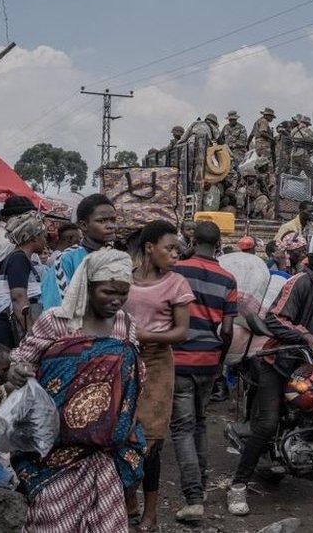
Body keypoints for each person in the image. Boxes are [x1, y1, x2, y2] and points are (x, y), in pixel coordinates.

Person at [8, 248, 144, 532]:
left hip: (104, 450)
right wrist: (18, 371)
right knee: (52, 519)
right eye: (108, 292)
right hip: (54, 448)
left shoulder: (125, 324)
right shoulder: (56, 321)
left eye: (123, 293)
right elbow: (21, 363)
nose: (117, 300)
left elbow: (133, 377)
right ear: (88, 285)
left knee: (104, 521)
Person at [228, 231, 313, 516]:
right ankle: (238, 486)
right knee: (267, 423)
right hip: (280, 362)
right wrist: (306, 336)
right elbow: (276, 319)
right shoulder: (300, 283)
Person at [123, 220, 194, 532]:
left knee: (151, 442)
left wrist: (147, 335)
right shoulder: (123, 279)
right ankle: (129, 500)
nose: (175, 254)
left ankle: (150, 512)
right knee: (121, 433)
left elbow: (181, 332)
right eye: (169, 248)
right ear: (149, 248)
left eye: (177, 249)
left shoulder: (177, 283)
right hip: (122, 362)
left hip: (157, 364)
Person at [169, 222, 237, 522]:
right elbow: (228, 329)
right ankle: (203, 485)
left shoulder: (177, 271)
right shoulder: (228, 279)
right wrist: (220, 361)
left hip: (179, 359)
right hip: (209, 361)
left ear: (192, 241)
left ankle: (194, 497)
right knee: (199, 422)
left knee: (182, 427)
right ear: (219, 243)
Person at [40, 194, 118, 310]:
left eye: (113, 220)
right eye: (101, 221)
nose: (110, 226)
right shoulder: (66, 260)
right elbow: (55, 309)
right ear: (83, 225)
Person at [0, 211, 46, 347]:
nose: (44, 240)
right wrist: (33, 335)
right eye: (42, 236)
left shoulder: (15, 257)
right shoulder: (19, 259)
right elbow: (18, 297)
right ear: (33, 238)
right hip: (6, 330)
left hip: (1, 327)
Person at [289, 115, 313, 197]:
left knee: (294, 175)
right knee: (311, 174)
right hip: (302, 154)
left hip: (293, 154)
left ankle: (289, 191)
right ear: (307, 124)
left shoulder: (293, 130)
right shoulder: (307, 130)